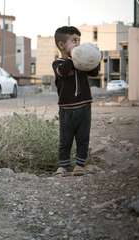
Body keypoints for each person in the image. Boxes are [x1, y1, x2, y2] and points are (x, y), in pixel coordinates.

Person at [52, 26, 100, 177]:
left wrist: (95, 57)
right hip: (66, 109)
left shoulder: (82, 64)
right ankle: (63, 166)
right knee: (65, 139)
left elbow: (94, 71)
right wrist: (74, 56)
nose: (78, 44)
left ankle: (80, 165)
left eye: (79, 41)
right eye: (74, 41)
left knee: (83, 137)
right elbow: (64, 71)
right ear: (61, 45)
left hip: (84, 106)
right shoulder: (58, 63)